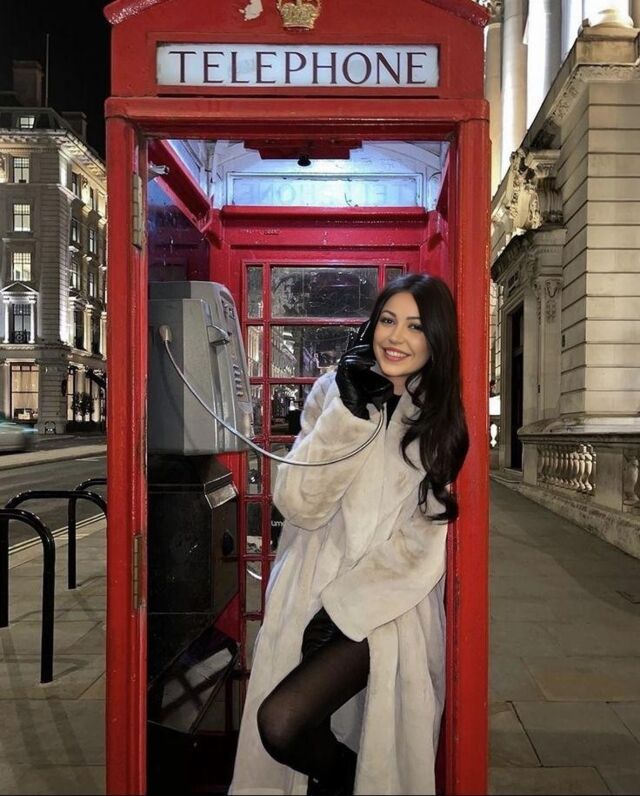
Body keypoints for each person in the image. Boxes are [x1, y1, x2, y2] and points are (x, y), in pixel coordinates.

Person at [229, 273, 469, 796]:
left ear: (437, 340)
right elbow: (297, 503)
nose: (396, 337)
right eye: (388, 321)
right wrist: (351, 414)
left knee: (284, 719)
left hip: (385, 610)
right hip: (306, 592)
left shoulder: (438, 420)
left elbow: (422, 547)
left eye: (415, 326)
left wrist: (344, 610)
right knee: (286, 733)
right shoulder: (333, 394)